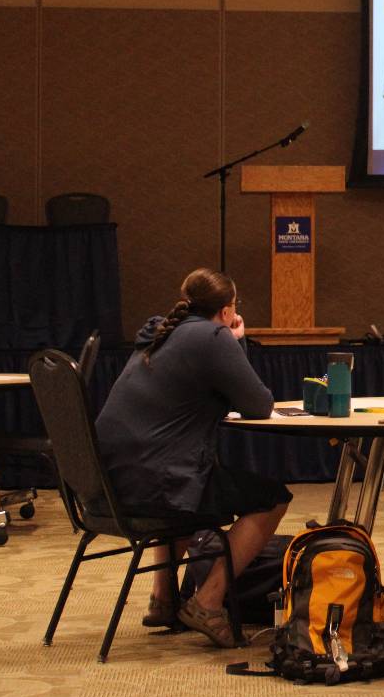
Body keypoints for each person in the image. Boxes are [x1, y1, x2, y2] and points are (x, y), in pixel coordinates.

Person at [94, 267, 287, 649]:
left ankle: (163, 600)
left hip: (110, 480)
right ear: (228, 309)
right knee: (271, 498)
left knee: (187, 490)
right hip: (155, 482)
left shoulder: (159, 331)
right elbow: (257, 404)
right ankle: (208, 601)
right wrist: (237, 341)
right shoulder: (212, 336)